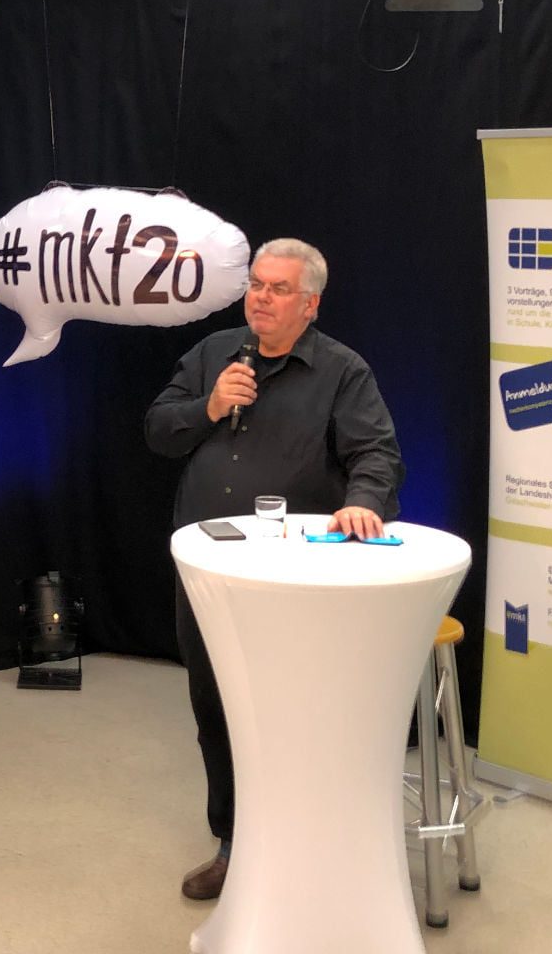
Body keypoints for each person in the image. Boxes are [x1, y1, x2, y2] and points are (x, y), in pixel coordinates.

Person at [142, 237, 403, 900]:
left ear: (310, 304)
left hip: (294, 578)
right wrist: (208, 406)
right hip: (208, 569)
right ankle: (233, 844)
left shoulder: (342, 372)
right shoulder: (214, 355)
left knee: (295, 712)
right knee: (215, 705)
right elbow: (158, 430)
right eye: (256, 284)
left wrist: (363, 503)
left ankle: (311, 846)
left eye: (278, 288)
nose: (260, 297)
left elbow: (376, 454)